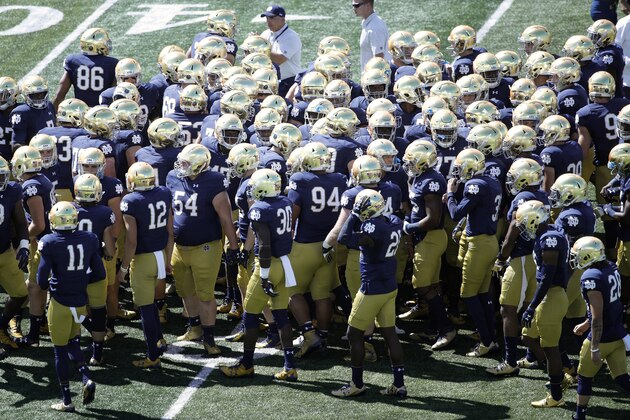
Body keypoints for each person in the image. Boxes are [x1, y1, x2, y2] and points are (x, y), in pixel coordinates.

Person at [220, 168, 298, 380]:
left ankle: (246, 364)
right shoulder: (285, 203)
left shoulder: (260, 208)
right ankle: (289, 367)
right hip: (284, 264)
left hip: (268, 265)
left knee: (250, 314)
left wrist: (263, 276)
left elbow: (263, 245)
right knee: (281, 314)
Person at [332, 189, 406, 398]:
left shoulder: (372, 227)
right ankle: (399, 384)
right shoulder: (393, 220)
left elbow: (345, 237)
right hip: (389, 286)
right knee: (390, 334)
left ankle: (356, 384)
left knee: (354, 334)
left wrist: (354, 214)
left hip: (372, 288)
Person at [37, 201, 105, 412]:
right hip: (79, 301)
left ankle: (67, 400)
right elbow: (99, 273)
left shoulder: (49, 241)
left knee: (59, 351)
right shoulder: (90, 238)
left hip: (60, 302)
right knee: (73, 343)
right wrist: (79, 282)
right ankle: (86, 378)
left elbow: (41, 280)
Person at [118, 162, 174, 368]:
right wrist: (168, 260)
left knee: (146, 308)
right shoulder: (164, 193)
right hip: (160, 255)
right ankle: (159, 339)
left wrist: (123, 269)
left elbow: (131, 241)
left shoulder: (131, 201)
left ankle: (152, 355)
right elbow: (170, 233)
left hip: (142, 260)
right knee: (153, 304)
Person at [516, 200, 570, 408]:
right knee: (528, 337)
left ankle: (556, 396)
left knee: (550, 349)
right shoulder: (548, 232)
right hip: (548, 295)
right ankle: (562, 375)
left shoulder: (550, 240)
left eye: (524, 222)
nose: (522, 227)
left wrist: (531, 307)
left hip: (552, 296)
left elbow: (547, 277)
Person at [570, 236, 630, 420]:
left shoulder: (591, 277)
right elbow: (606, 308)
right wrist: (586, 323)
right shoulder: (611, 267)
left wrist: (594, 347)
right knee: (621, 378)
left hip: (602, 337)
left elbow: (597, 317)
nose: (576, 259)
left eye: (579, 255)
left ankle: (580, 415)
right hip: (618, 334)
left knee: (584, 377)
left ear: (589, 255)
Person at [0, 156, 29, 358]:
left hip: (5, 251)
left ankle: (1, 327)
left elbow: (20, 222)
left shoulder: (11, 191)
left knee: (21, 293)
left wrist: (25, 246)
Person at [53, 27, 118, 108]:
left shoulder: (73, 61)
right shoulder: (113, 63)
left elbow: (59, 95)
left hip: (80, 111)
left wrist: (53, 116)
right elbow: (115, 94)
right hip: (103, 112)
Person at [260, 5, 302, 97]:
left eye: (272, 18)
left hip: (287, 82)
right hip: (269, 81)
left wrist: (259, 50)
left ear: (282, 19)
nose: (268, 21)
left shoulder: (291, 37)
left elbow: (279, 59)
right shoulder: (266, 34)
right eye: (267, 18)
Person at [354, 1, 391, 72]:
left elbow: (378, 58)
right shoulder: (370, 23)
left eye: (357, 5)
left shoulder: (374, 28)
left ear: (368, 5)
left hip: (374, 78)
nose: (354, 8)